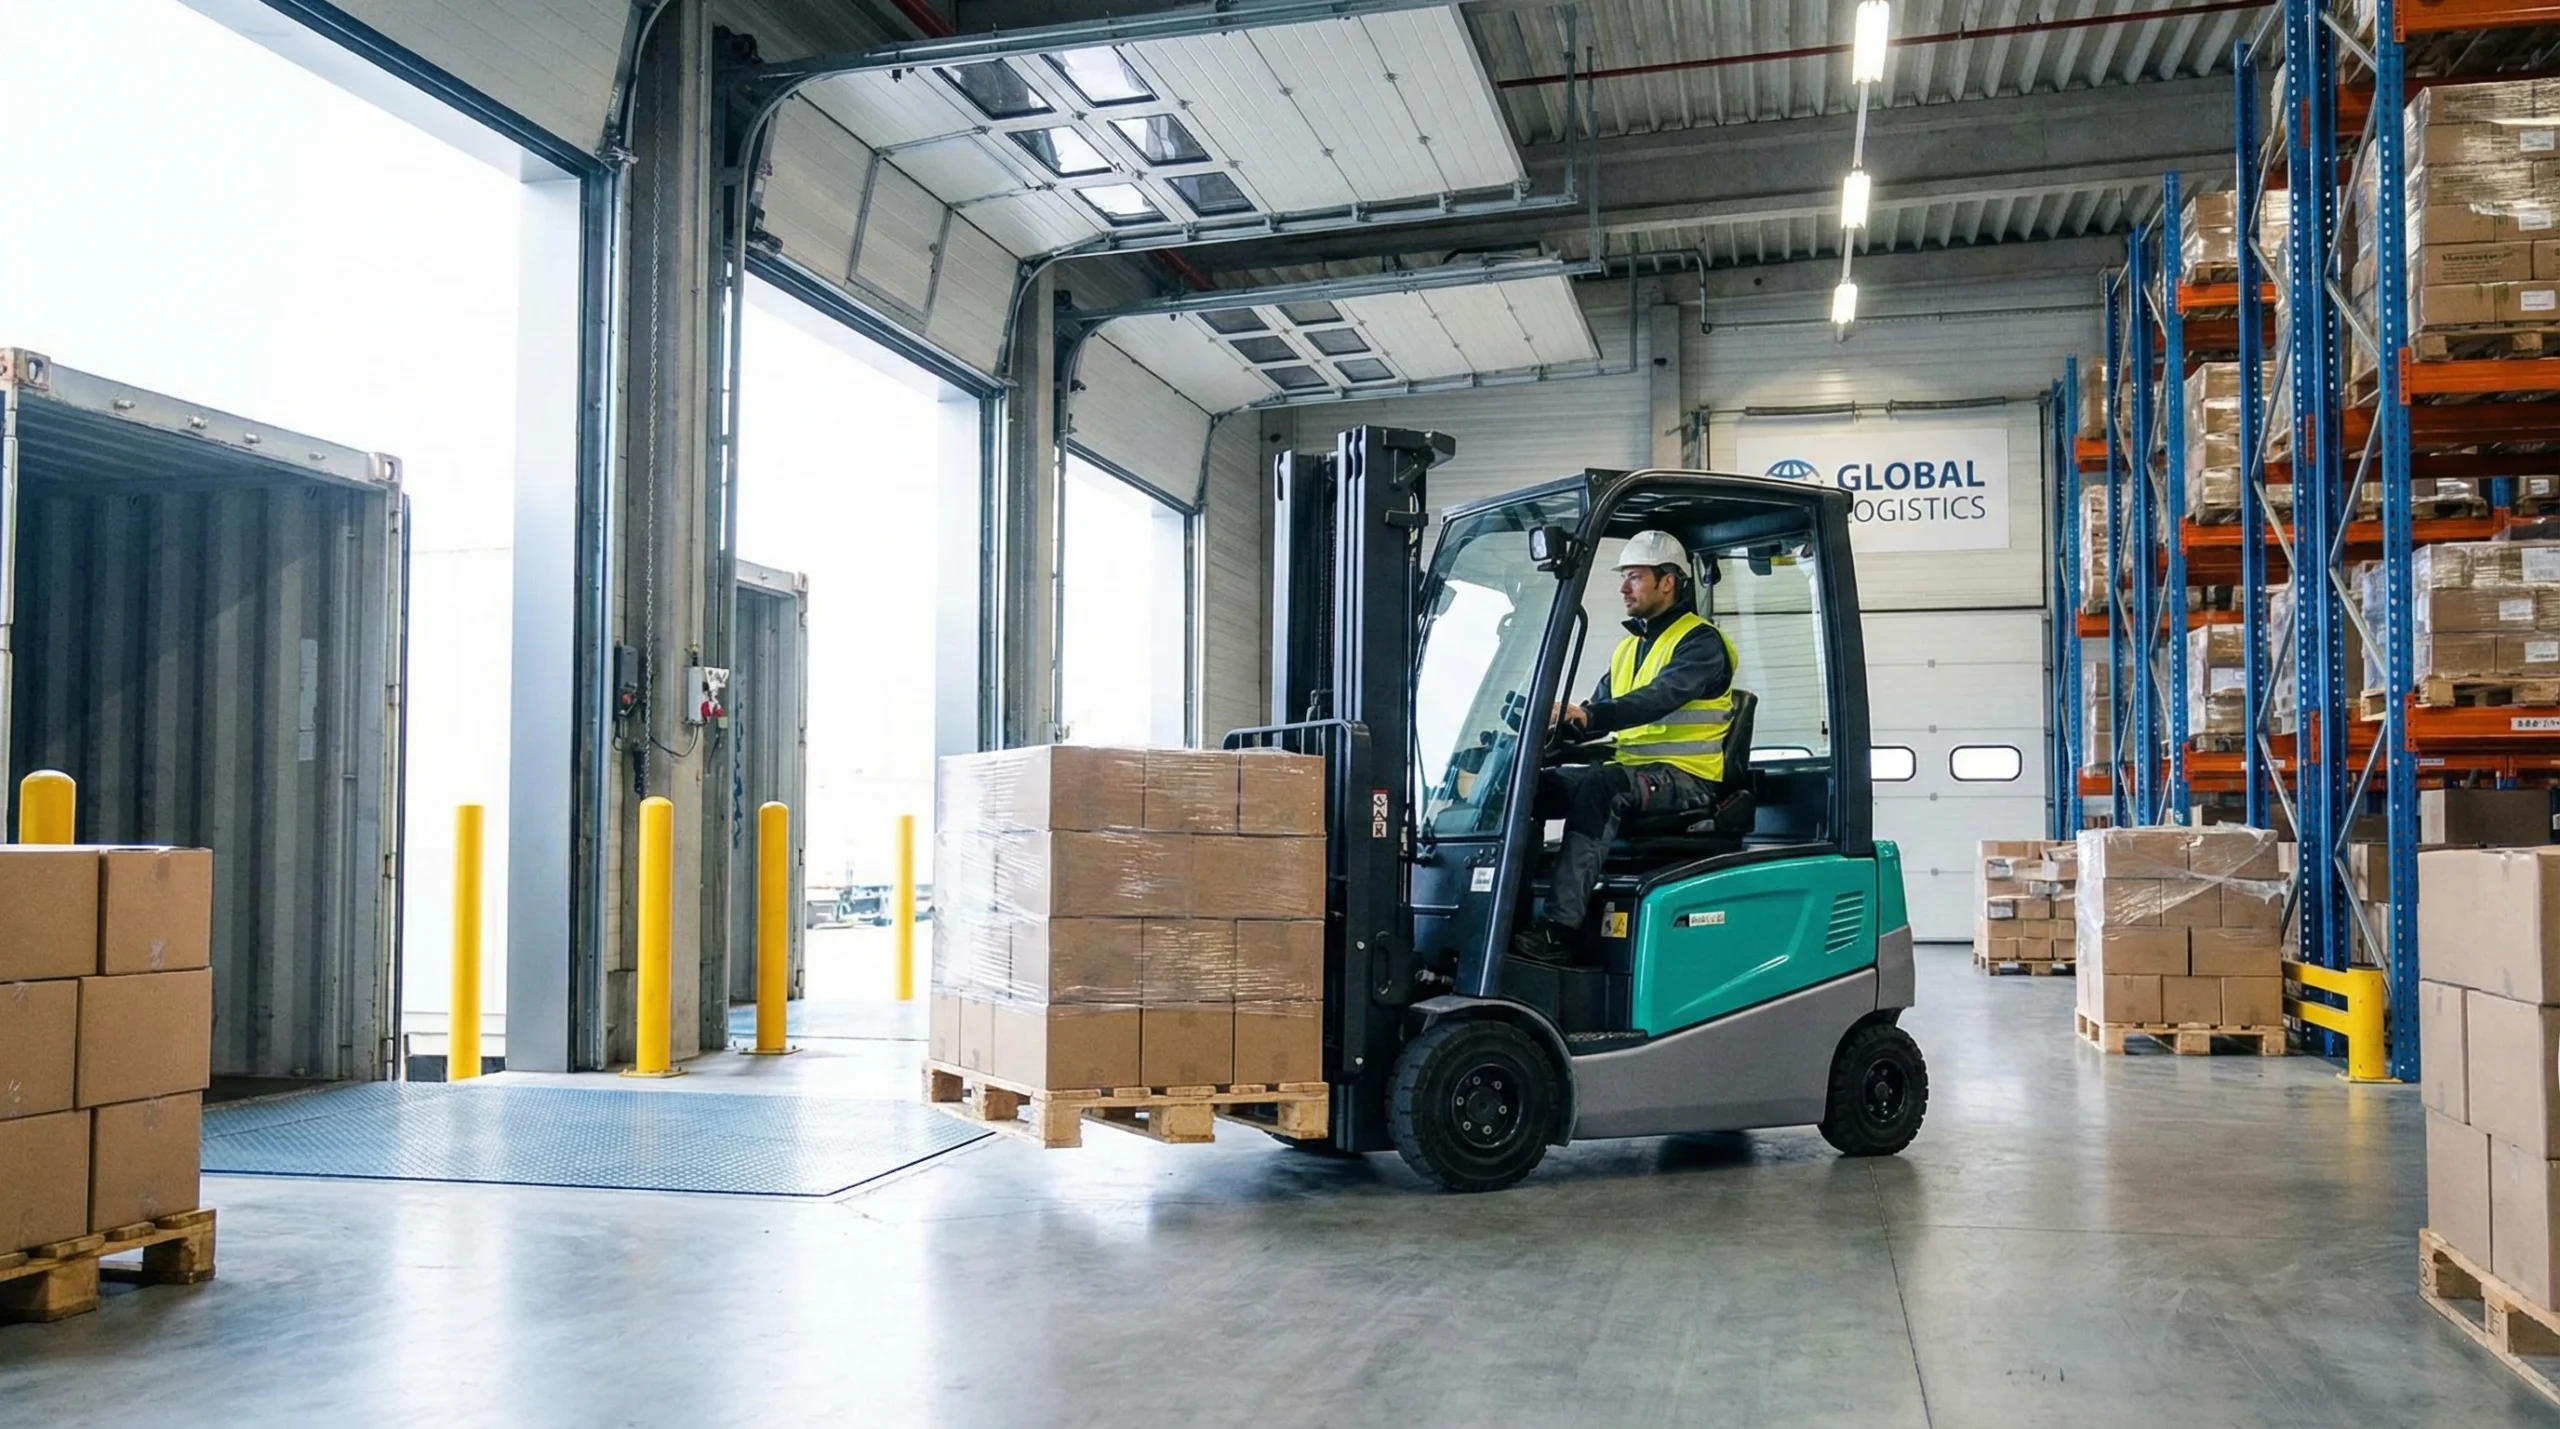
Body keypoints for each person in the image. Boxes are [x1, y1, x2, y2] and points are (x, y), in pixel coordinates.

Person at [1512, 529, 1738, 964]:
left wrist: (1591, 717)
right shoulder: (1630, 647)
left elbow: (1658, 698)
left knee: (1602, 786)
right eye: (1624, 577)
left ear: (1667, 581)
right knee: (1533, 788)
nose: (1623, 588)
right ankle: (1509, 913)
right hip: (1635, 770)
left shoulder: (1701, 643)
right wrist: (1557, 722)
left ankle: (1558, 930)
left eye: (1634, 576)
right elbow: (1598, 708)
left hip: (1688, 780)